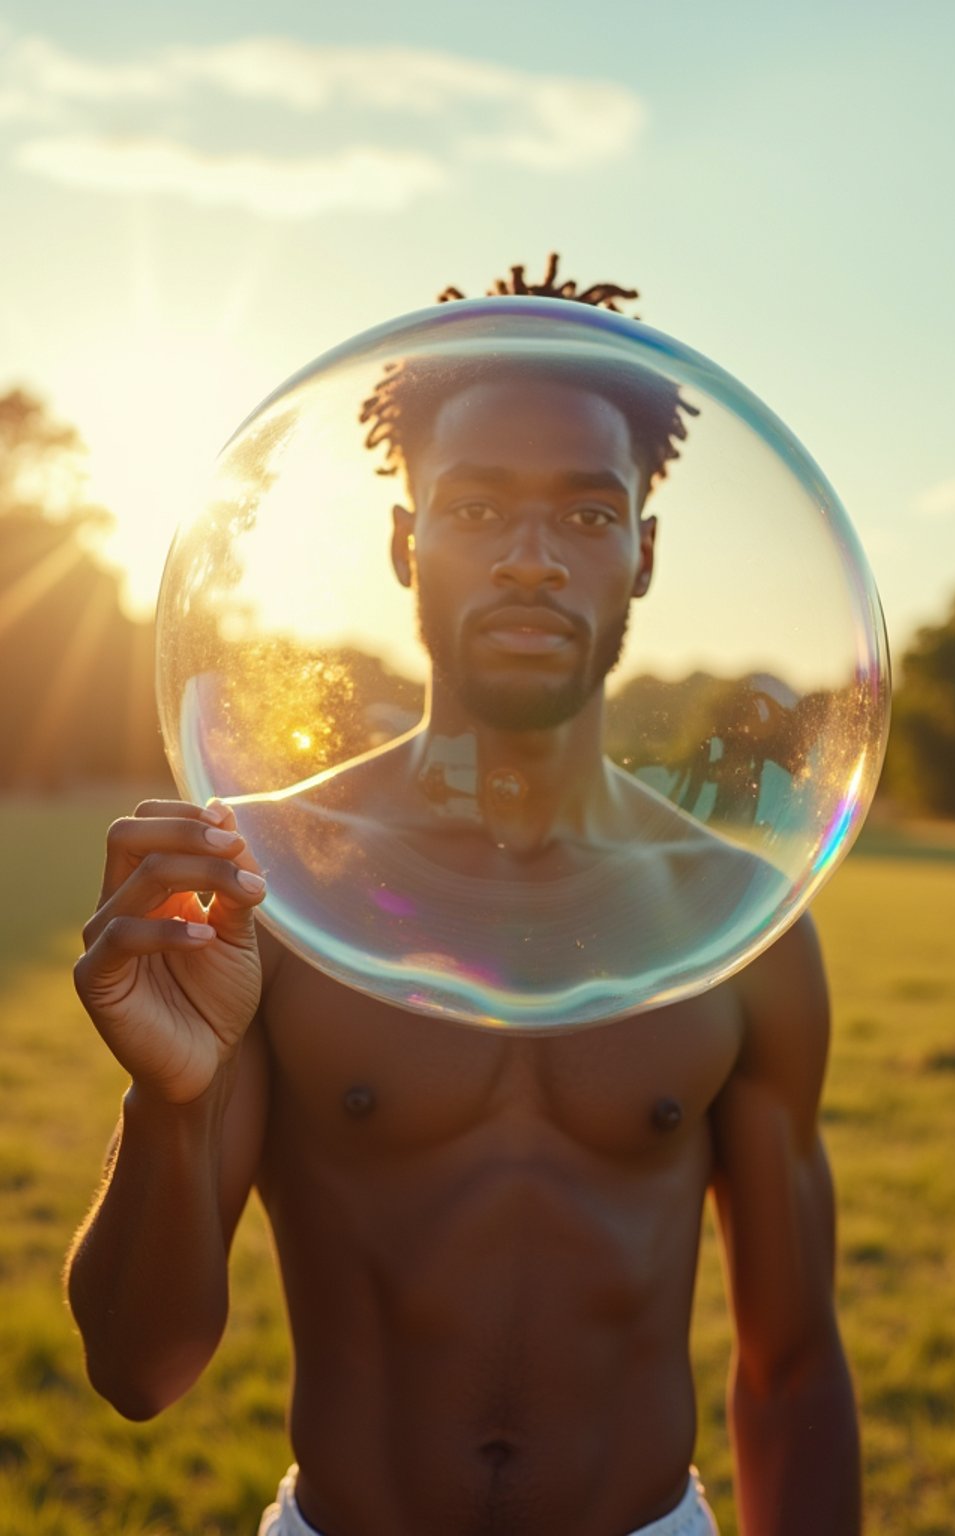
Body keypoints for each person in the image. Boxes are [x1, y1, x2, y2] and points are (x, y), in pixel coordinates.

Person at [67, 257, 862, 1536]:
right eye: (478, 510)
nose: (535, 562)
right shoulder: (262, 886)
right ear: (405, 539)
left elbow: (790, 1365)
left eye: (588, 516)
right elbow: (139, 1373)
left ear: (644, 554)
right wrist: (167, 1106)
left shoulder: (738, 923)